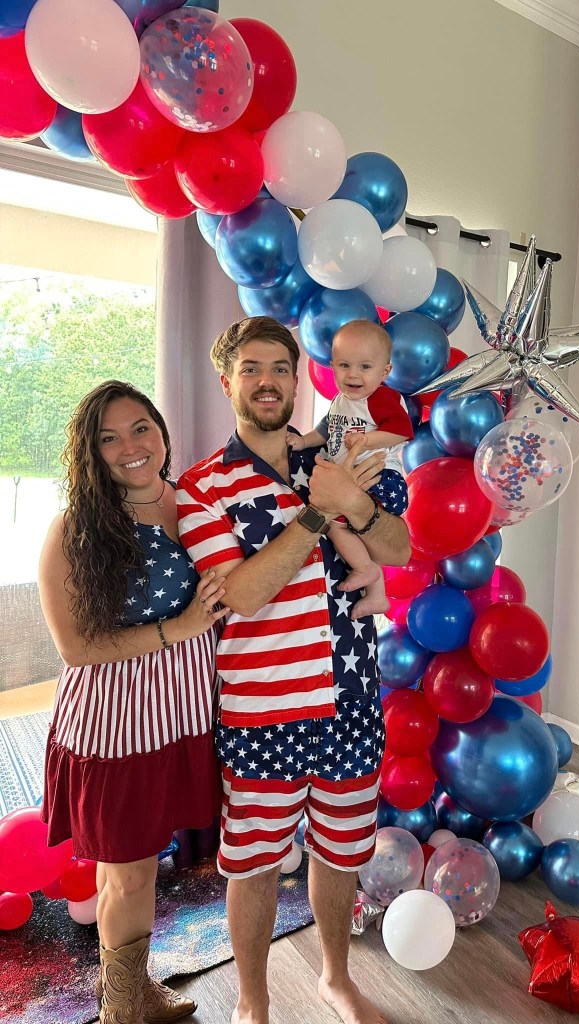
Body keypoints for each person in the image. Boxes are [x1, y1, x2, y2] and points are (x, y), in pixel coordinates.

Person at [176, 316, 411, 1024]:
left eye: (280, 367)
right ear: (229, 382)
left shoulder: (336, 453)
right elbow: (242, 593)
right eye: (252, 368)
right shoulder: (201, 487)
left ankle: (336, 978)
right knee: (251, 866)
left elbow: (396, 547)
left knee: (340, 854)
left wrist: (357, 501)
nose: (268, 380)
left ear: (297, 377)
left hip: (349, 701)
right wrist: (317, 512)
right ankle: (253, 1002)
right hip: (261, 708)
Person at [38, 381, 228, 1024]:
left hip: (183, 714)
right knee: (129, 874)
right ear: (90, 453)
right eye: (109, 437)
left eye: (140, 427)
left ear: (162, 432)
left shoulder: (196, 503)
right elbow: (75, 648)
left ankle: (129, 985)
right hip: (117, 725)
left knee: (141, 864)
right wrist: (177, 630)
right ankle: (123, 1008)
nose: (129, 446)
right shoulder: (76, 528)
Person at [287, 320, 413, 619]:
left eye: (365, 367)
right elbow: (325, 430)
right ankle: (377, 593)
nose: (353, 374)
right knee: (339, 523)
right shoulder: (341, 401)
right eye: (344, 365)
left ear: (384, 372)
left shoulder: (381, 398)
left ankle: (366, 569)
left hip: (380, 477)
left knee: (334, 522)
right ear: (332, 366)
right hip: (353, 479)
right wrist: (304, 441)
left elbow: (401, 431)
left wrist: (367, 440)